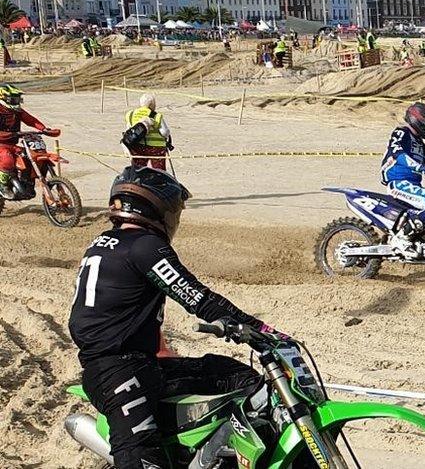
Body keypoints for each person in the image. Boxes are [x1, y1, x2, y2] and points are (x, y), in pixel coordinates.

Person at [68, 166, 287, 469]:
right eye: (174, 211)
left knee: (239, 377)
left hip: (138, 364)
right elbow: (196, 297)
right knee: (142, 459)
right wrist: (259, 329)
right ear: (157, 209)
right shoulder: (145, 246)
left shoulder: (105, 242)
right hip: (118, 373)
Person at [381, 102, 425, 246]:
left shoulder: (418, 142)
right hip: (398, 183)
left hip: (412, 184)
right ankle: (401, 238)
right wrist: (421, 167)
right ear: (420, 120)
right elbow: (397, 153)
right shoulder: (401, 132)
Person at [1, 85, 58, 199]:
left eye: (18, 99)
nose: (16, 102)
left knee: (31, 156)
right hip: (1, 145)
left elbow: (31, 120)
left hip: (13, 145)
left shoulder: (17, 111)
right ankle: (3, 185)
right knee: (7, 160)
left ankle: (25, 182)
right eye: (13, 99)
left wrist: (43, 129)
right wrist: (10, 134)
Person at [123, 94, 173, 171]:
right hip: (156, 149)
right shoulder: (156, 116)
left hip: (137, 146)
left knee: (138, 170)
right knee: (158, 171)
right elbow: (164, 132)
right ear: (152, 105)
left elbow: (128, 129)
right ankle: (157, 181)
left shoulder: (130, 114)